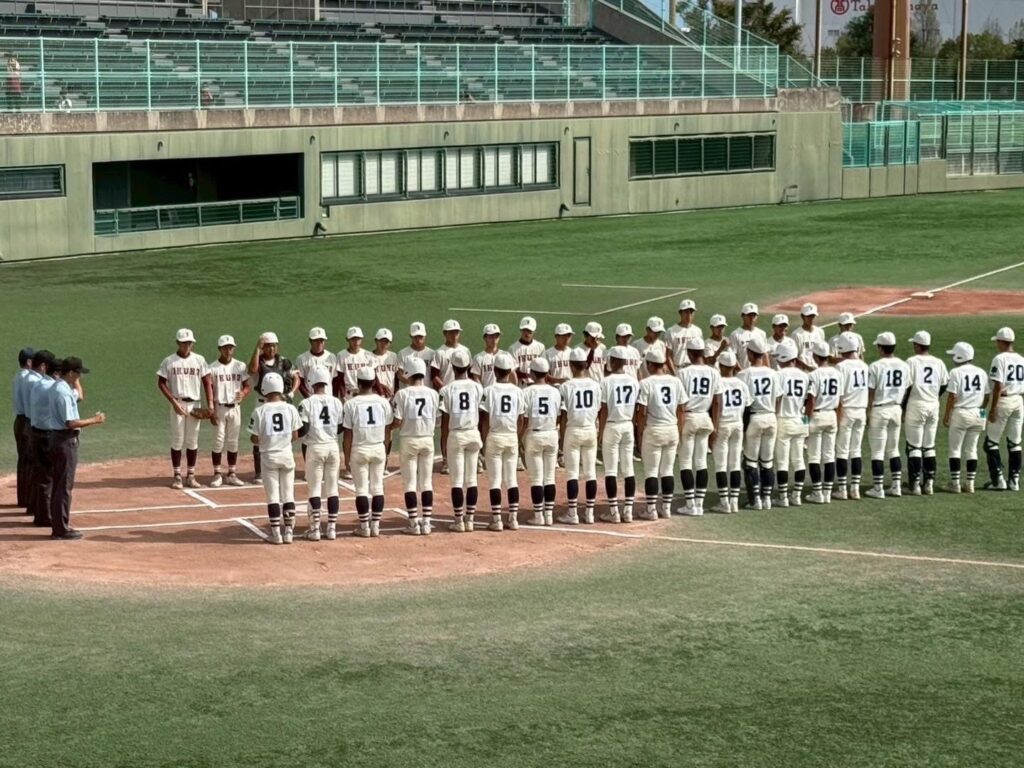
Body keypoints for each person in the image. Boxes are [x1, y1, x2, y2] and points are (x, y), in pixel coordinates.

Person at [46, 357, 105, 540]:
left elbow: (78, 396)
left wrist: (75, 380)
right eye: (78, 373)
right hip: (65, 441)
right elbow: (70, 422)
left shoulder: (60, 387)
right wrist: (94, 421)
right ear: (70, 373)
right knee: (64, 487)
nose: (80, 376)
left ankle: (60, 525)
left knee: (60, 485)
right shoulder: (62, 392)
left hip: (58, 440)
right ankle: (60, 529)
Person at [248, 372, 302, 544]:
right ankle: (289, 533)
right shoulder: (291, 409)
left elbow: (254, 438)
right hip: (286, 455)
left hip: (268, 457)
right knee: (288, 495)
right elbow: (295, 435)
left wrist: (264, 439)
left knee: (273, 496)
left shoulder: (259, 411)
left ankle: (276, 534)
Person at [157, 328, 214, 489]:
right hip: (178, 403)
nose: (187, 345)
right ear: (178, 343)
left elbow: (207, 382)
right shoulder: (169, 361)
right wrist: (174, 402)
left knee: (192, 440)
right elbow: (161, 383)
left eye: (189, 343)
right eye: (184, 343)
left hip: (195, 404)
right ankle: (177, 476)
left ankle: (191, 475)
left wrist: (209, 404)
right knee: (177, 440)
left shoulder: (199, 360)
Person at [341, 367, 393, 537]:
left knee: (361, 489)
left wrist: (347, 456)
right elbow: (387, 430)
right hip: (378, 447)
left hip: (359, 449)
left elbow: (347, 434)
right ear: (373, 382)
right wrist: (385, 450)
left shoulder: (350, 404)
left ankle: (364, 526)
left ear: (358, 382)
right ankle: (376, 526)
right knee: (378, 488)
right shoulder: (383, 402)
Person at [636, 348, 687, 520]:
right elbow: (682, 409)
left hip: (654, 429)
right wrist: (679, 430)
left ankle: (651, 510)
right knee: (667, 471)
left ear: (650, 364)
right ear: (664, 364)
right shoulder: (676, 382)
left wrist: (640, 433)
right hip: (672, 428)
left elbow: (642, 412)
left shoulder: (646, 383)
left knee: (651, 471)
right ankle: (666, 508)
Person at [392, 358, 439, 535]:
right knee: (426, 482)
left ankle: (413, 523)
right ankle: (426, 523)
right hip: (427, 440)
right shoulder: (433, 394)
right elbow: (438, 419)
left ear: (408, 374)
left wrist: (392, 426)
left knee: (410, 483)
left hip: (409, 440)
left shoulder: (402, 394)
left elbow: (397, 420)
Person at [439, 349, 484, 532]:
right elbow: (481, 413)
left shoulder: (446, 389)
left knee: (457, 480)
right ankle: (470, 519)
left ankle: (459, 521)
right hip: (473, 433)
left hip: (456, 435)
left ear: (452, 366)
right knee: (471, 479)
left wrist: (444, 443)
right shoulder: (477, 387)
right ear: (469, 366)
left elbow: (445, 420)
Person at [479, 352, 524, 531]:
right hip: (512, 436)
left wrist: (484, 441)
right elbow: (521, 419)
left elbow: (484, 420)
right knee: (511, 479)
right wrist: (517, 437)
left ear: (495, 370)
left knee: (495, 480)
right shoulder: (518, 391)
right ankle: (513, 519)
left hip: (495, 436)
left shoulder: (488, 391)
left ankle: (497, 519)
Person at [298, 368, 343, 541]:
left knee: (314, 488)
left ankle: (315, 529)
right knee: (333, 488)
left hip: (315, 447)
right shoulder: (337, 402)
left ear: (311, 382)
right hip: (332, 447)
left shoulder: (307, 403)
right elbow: (339, 428)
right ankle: (331, 528)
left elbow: (305, 428)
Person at [557, 348, 601, 525]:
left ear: (571, 365)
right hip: (590, 429)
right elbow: (598, 410)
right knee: (590, 473)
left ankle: (572, 513)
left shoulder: (566, 386)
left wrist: (561, 438)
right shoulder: (596, 385)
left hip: (573, 430)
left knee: (572, 474)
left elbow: (564, 415)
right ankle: (589, 513)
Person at [865, 332, 911, 499]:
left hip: (880, 409)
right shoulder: (904, 365)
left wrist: (868, 411)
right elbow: (907, 388)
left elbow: (871, 391)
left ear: (880, 347)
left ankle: (878, 488)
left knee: (877, 452)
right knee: (893, 449)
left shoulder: (876, 366)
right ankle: (896, 486)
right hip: (896, 409)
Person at [903, 330, 949, 495]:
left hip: (916, 404)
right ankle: (929, 482)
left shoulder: (911, 361)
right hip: (933, 405)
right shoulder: (939, 362)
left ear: (917, 345)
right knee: (929, 446)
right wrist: (935, 395)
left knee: (914, 446)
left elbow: (906, 387)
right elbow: (944, 384)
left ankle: (915, 484)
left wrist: (903, 406)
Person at [676, 338, 719, 516]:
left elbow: (679, 404)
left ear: (690, 353)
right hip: (705, 417)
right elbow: (717, 402)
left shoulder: (683, 373)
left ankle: (690, 504)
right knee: (701, 462)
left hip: (689, 417)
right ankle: (699, 504)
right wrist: (715, 425)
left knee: (686, 462)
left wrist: (679, 425)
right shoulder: (714, 372)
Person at [247, 331, 297, 482]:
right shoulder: (259, 361)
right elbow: (252, 370)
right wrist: (257, 349)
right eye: (268, 346)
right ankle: (259, 472)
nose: (272, 349)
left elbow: (296, 377)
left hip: (280, 403)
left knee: (282, 433)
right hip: (262, 403)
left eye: (274, 346)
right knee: (259, 435)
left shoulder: (284, 362)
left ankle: (283, 463)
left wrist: (292, 393)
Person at [736, 336, 779, 509]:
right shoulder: (773, 374)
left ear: (750, 353)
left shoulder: (744, 374)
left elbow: (743, 403)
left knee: (751, 462)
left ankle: (755, 500)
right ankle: (767, 498)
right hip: (771, 417)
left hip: (754, 417)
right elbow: (779, 398)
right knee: (767, 461)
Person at [943, 342, 990, 494]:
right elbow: (987, 396)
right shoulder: (981, 372)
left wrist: (947, 414)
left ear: (959, 356)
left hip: (961, 413)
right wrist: (982, 411)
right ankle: (970, 483)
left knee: (955, 449)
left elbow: (952, 396)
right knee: (972, 450)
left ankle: (955, 484)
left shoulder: (956, 372)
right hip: (978, 413)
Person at [598, 347, 639, 522]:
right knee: (628, 468)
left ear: (613, 361)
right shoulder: (633, 381)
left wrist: (600, 432)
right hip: (628, 425)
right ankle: (628, 511)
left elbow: (604, 409)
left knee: (611, 470)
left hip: (612, 426)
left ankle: (614, 512)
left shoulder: (606, 382)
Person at [521, 357, 562, 526]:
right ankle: (549, 515)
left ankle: (538, 515)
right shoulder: (555, 392)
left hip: (534, 435)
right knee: (549, 477)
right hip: (552, 434)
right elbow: (559, 416)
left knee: (537, 478)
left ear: (532, 373)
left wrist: (519, 439)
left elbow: (524, 419)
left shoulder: (527, 392)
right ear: (547, 373)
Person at [983, 327, 1023, 491]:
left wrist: (992, 409)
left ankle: (998, 480)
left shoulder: (999, 359)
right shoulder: (1021, 359)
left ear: (1001, 342)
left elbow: (998, 385)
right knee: (1015, 443)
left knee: (991, 443)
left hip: (1004, 401)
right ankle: (1014, 480)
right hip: (1019, 401)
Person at [772, 341, 811, 508]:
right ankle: (796, 495)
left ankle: (783, 497)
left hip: (783, 420)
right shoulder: (805, 375)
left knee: (782, 462)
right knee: (799, 460)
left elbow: (777, 400)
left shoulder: (778, 375)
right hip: (800, 420)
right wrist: (806, 423)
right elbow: (809, 402)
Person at [208, 335, 250, 487]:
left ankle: (232, 473)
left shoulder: (240, 366)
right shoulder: (212, 367)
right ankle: (217, 474)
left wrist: (243, 393)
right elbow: (210, 390)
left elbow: (247, 385)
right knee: (218, 441)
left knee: (233, 442)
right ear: (219, 349)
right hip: (219, 407)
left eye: (230, 347)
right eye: (225, 348)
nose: (228, 350)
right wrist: (211, 410)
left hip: (235, 407)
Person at [710, 350, 749, 514]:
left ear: (721, 366)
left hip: (723, 424)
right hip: (738, 424)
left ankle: (724, 501)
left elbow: (714, 406)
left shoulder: (718, 383)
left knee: (720, 465)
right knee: (734, 465)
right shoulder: (741, 384)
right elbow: (747, 408)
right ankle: (734, 501)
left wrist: (714, 428)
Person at [833, 332, 870, 500]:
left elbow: (839, 395)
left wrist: (837, 416)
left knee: (842, 451)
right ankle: (854, 488)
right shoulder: (864, 365)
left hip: (847, 410)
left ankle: (842, 488)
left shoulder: (841, 367)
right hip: (861, 410)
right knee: (856, 450)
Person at [805, 341, 841, 504]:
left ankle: (817, 492)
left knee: (814, 456)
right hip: (832, 415)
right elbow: (840, 400)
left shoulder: (814, 375)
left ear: (815, 356)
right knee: (829, 455)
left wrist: (805, 421)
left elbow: (810, 401)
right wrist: (838, 420)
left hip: (817, 416)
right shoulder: (837, 373)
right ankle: (827, 492)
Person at [25, 350, 58, 526]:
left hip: (36, 432)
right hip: (45, 435)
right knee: (47, 477)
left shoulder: (37, 383)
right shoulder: (48, 386)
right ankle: (45, 517)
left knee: (40, 476)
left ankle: (39, 513)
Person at [12, 346, 34, 508]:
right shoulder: (29, 380)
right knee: (31, 461)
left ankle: (23, 498)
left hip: (19, 422)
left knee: (23, 461)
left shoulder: (17, 377)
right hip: (28, 422)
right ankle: (29, 500)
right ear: (28, 362)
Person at [294, 327, 338, 398]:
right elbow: (300, 382)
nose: (319, 343)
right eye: (316, 340)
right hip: (310, 397)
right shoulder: (301, 359)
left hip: (329, 397)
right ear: (310, 341)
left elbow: (335, 380)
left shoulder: (331, 357)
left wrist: (334, 397)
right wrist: (308, 397)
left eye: (321, 340)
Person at [337, 327, 375, 400]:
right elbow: (340, 379)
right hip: (348, 394)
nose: (356, 342)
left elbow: (373, 377)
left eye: (358, 339)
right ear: (347, 339)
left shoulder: (368, 355)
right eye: (353, 339)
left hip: (365, 393)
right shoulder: (341, 355)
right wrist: (342, 396)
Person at [728, 303, 768, 370]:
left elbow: (765, 355)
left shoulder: (762, 333)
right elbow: (733, 357)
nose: (752, 318)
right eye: (749, 315)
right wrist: (742, 372)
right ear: (743, 316)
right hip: (742, 373)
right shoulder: (735, 335)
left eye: (754, 315)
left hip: (758, 373)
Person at [396, 321, 434, 390]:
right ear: (410, 336)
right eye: (415, 337)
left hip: (427, 392)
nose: (418, 340)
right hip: (408, 392)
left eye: (420, 337)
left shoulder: (431, 353)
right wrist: (413, 384)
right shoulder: (402, 353)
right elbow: (399, 374)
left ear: (425, 335)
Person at [509, 316, 545, 386]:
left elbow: (543, 369)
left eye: (529, 331)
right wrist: (527, 376)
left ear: (534, 331)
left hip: (537, 385)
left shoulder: (540, 347)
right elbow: (513, 371)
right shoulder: (512, 348)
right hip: (520, 386)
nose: (526, 333)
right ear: (520, 330)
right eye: (524, 330)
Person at [667, 299, 702, 369]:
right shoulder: (671, 331)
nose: (689, 315)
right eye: (686, 312)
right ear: (680, 313)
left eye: (691, 312)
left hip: (694, 369)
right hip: (678, 368)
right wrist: (674, 373)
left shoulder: (698, 331)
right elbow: (668, 356)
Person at [370, 329, 400, 400]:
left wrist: (396, 393)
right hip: (374, 396)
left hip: (391, 396)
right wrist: (380, 386)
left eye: (386, 342)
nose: (383, 344)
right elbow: (367, 379)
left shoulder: (393, 356)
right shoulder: (368, 357)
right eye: (381, 341)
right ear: (376, 341)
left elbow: (396, 377)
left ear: (390, 343)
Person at [470, 323, 502, 388]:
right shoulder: (478, 358)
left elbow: (511, 375)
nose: (494, 339)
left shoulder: (505, 356)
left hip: (501, 394)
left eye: (496, 336)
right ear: (485, 338)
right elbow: (476, 378)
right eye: (491, 336)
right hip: (486, 394)